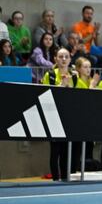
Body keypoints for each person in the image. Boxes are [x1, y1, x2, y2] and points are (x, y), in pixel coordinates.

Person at [43, 49, 75, 180]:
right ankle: (56, 179)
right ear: (56, 59)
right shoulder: (49, 75)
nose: (63, 59)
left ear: (69, 60)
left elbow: (76, 96)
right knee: (55, 150)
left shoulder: (74, 76)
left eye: (66, 56)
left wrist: (68, 87)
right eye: (61, 56)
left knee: (66, 151)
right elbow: (45, 95)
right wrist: (61, 85)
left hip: (68, 116)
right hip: (53, 116)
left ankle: (65, 178)